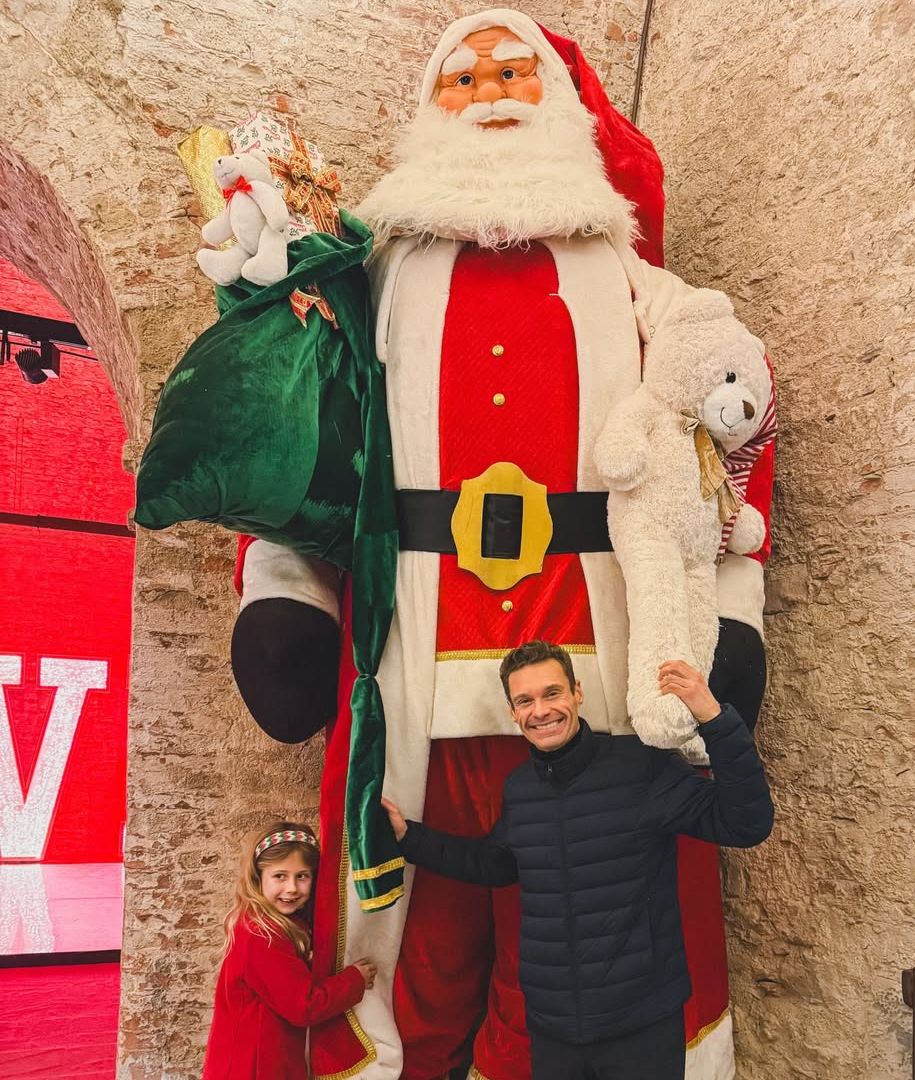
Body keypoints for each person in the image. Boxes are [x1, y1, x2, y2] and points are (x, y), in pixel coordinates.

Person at [230, 10, 777, 1079]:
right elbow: (302, 437)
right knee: (422, 928)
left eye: (514, 70)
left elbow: (724, 426)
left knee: (579, 909)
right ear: (428, 110)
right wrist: (284, 583)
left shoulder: (636, 282)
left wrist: (732, 617)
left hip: (595, 643)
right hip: (421, 644)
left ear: (561, 106)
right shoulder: (373, 280)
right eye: (464, 75)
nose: (490, 90)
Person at [381, 640, 773, 1080]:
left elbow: (747, 822)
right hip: (554, 1032)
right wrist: (408, 838)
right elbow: (498, 864)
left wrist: (712, 717)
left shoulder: (640, 766)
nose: (541, 711)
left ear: (577, 693)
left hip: (641, 1026)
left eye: (552, 693)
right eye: (525, 701)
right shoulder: (519, 788)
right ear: (512, 712)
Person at [202, 822, 378, 1080]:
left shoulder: (276, 924)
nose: (292, 888)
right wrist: (355, 980)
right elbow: (303, 1006)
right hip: (251, 1068)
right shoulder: (262, 936)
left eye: (302, 876)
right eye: (280, 876)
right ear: (258, 877)